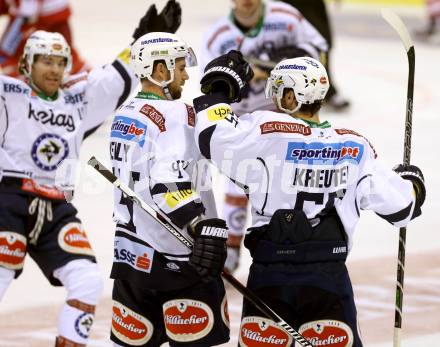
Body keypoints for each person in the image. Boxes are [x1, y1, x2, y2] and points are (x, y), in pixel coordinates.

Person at [193, 51, 426, 346]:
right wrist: (413, 183)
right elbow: (402, 208)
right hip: (328, 280)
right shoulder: (354, 146)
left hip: (270, 277)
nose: (275, 99)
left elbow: (211, 136)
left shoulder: (265, 131)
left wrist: (220, 86)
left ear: (292, 97)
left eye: (280, 91)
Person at [0, 1, 181, 345]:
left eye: (60, 62)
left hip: (56, 208)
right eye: (45, 62)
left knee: (86, 280)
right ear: (27, 64)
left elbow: (115, 76)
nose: (54, 70)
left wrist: (147, 40)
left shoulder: (76, 98)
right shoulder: (8, 92)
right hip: (8, 203)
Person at [108, 31, 230, 347]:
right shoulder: (175, 113)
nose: (186, 75)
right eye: (179, 66)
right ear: (160, 70)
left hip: (132, 257)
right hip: (182, 259)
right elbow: (168, 180)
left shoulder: (124, 113)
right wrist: (201, 226)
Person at [200, 0, 328, 274]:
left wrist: (292, 63)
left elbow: (319, 50)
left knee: (283, 184)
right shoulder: (216, 36)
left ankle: (287, 240)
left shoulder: (287, 17)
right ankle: (231, 247)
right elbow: (210, 88)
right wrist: (241, 82)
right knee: (239, 179)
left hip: (281, 113)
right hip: (242, 116)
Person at [281, 0, 350, 109]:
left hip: (312, 4)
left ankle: (326, 89)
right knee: (282, 39)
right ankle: (284, 90)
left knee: (321, 41)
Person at [0, 0, 89, 77]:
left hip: (39, 16)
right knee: (66, 54)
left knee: (7, 56)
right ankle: (86, 76)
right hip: (53, 13)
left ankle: (22, 88)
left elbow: (27, 12)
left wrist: (25, 27)